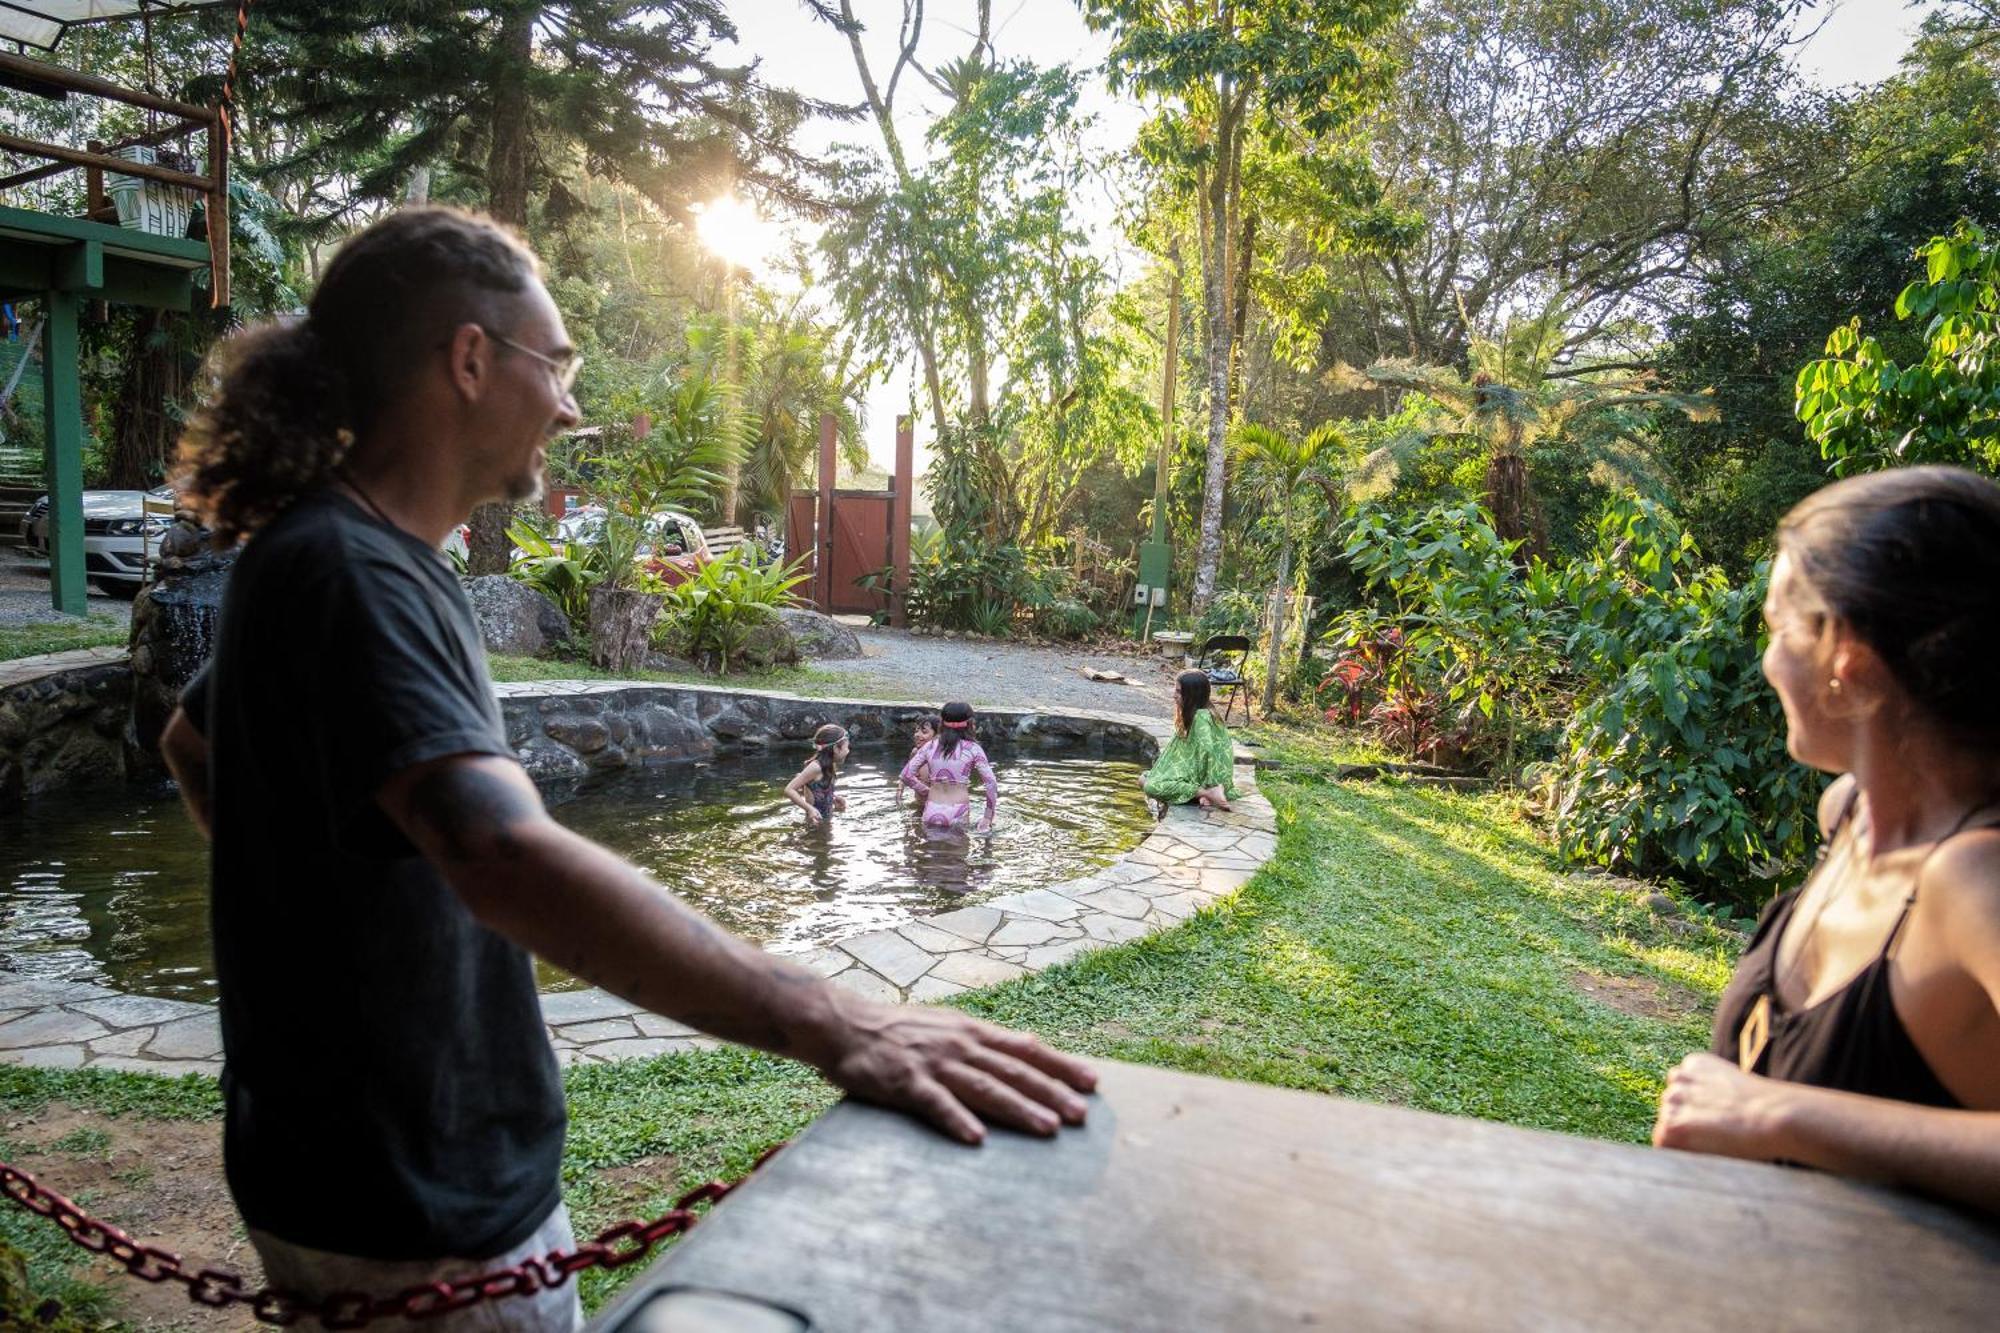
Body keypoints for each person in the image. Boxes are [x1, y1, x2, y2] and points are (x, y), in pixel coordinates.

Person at [155, 207, 1094, 1329]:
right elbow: (500, 850)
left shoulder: (308, 548)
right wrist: (844, 1023)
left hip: (331, 1169)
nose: (569, 401)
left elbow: (193, 745)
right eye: (554, 362)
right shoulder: (361, 574)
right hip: (423, 1206)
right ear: (467, 359)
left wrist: (339, 945)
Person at [1652, 465, 2000, 1216]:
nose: (1768, 660)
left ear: (1854, 668)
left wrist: (1775, 1112)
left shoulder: (1976, 880)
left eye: (1780, 630)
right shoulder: (1852, 816)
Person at [1140, 670, 1240, 811]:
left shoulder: (1201, 717)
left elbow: (1208, 752)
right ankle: (1200, 795)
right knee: (1143, 779)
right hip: (1197, 776)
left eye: (1179, 692)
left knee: (1151, 787)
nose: (1174, 695)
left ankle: (1208, 793)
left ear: (1192, 696)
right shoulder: (1200, 713)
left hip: (1209, 780)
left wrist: (1211, 784)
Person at [899, 702, 997, 833]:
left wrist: (926, 791)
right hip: (958, 811)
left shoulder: (930, 746)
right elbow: (991, 784)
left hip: (931, 809)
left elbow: (906, 775)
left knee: (928, 851)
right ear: (970, 724)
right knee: (956, 851)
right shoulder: (973, 749)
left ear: (941, 723)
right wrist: (987, 818)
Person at [785, 724, 850, 826]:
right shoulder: (815, 767)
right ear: (836, 749)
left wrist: (833, 798)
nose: (848, 751)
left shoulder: (829, 765)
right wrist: (809, 809)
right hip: (815, 824)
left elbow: (818, 791)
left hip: (826, 821)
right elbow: (789, 789)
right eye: (846, 747)